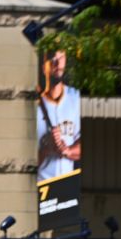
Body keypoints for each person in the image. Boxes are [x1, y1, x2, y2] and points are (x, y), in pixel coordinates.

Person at [37, 50, 81, 183]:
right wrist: (46, 148)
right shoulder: (32, 105)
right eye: (52, 58)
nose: (57, 62)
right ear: (44, 67)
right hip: (42, 187)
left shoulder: (76, 97)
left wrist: (67, 150)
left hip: (67, 186)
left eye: (61, 57)